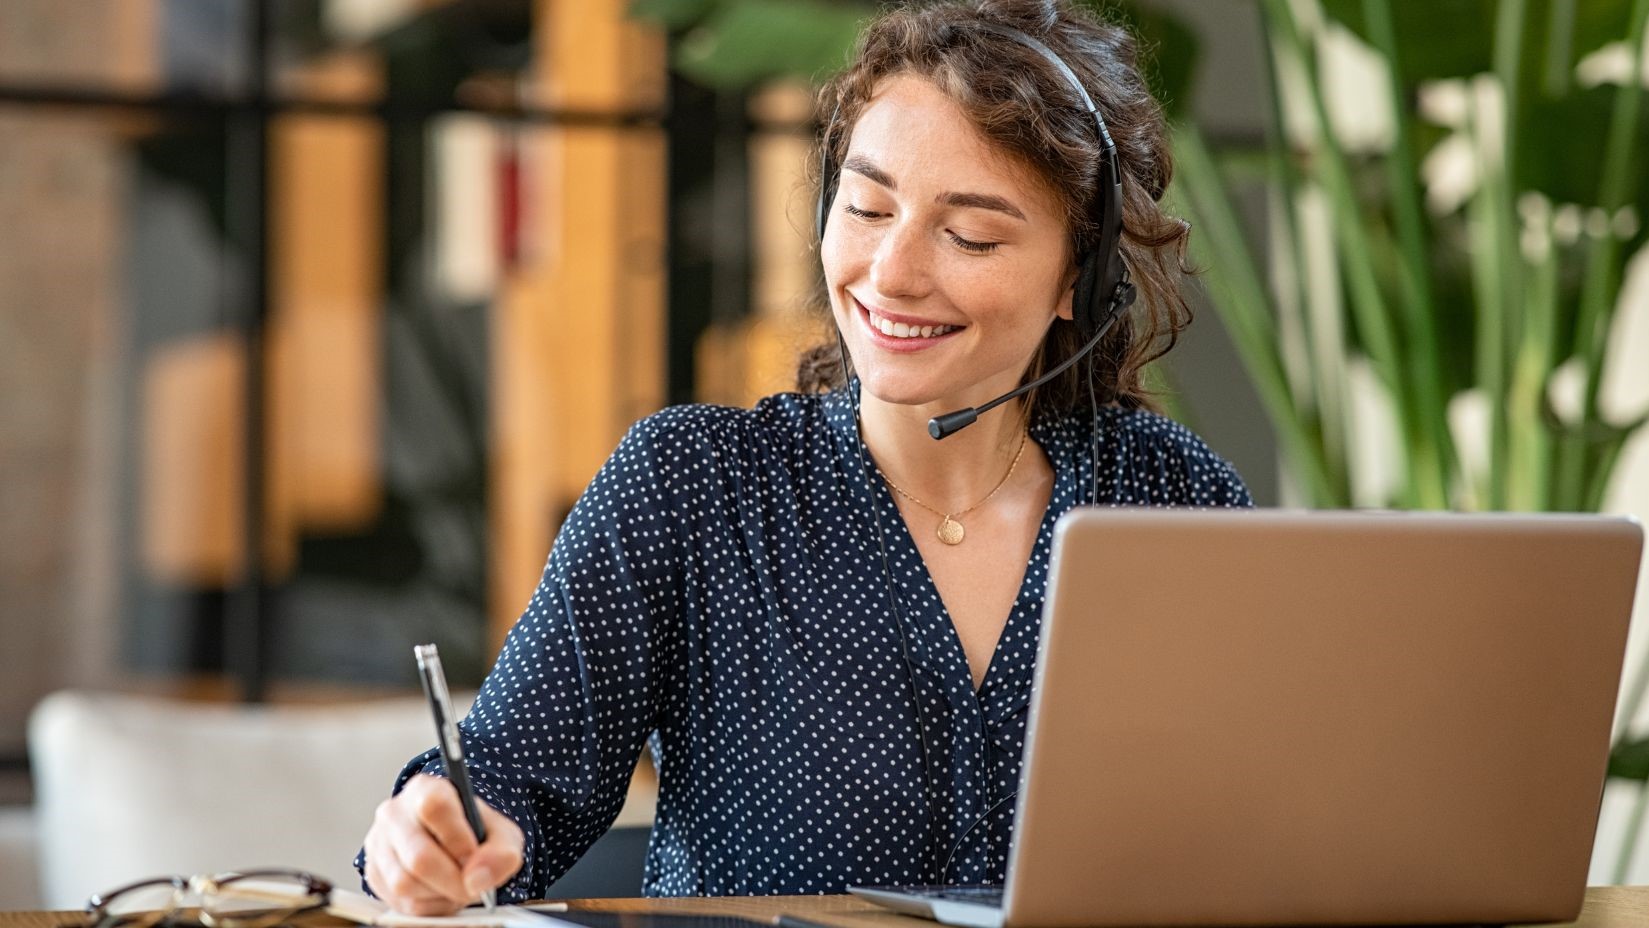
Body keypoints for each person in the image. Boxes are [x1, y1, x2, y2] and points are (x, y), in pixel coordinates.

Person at [357, 0, 1252, 913]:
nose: (890, 271)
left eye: (969, 235)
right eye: (866, 207)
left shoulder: (1169, 498)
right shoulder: (694, 486)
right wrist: (433, 834)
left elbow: (1279, 817)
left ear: (1080, 275)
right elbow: (505, 789)